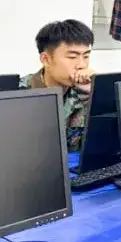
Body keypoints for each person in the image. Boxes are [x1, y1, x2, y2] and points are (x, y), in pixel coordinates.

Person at [20, 19, 95, 152]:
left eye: (86, 56)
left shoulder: (86, 91)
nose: (81, 65)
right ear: (46, 59)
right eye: (72, 57)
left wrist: (93, 94)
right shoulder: (19, 94)